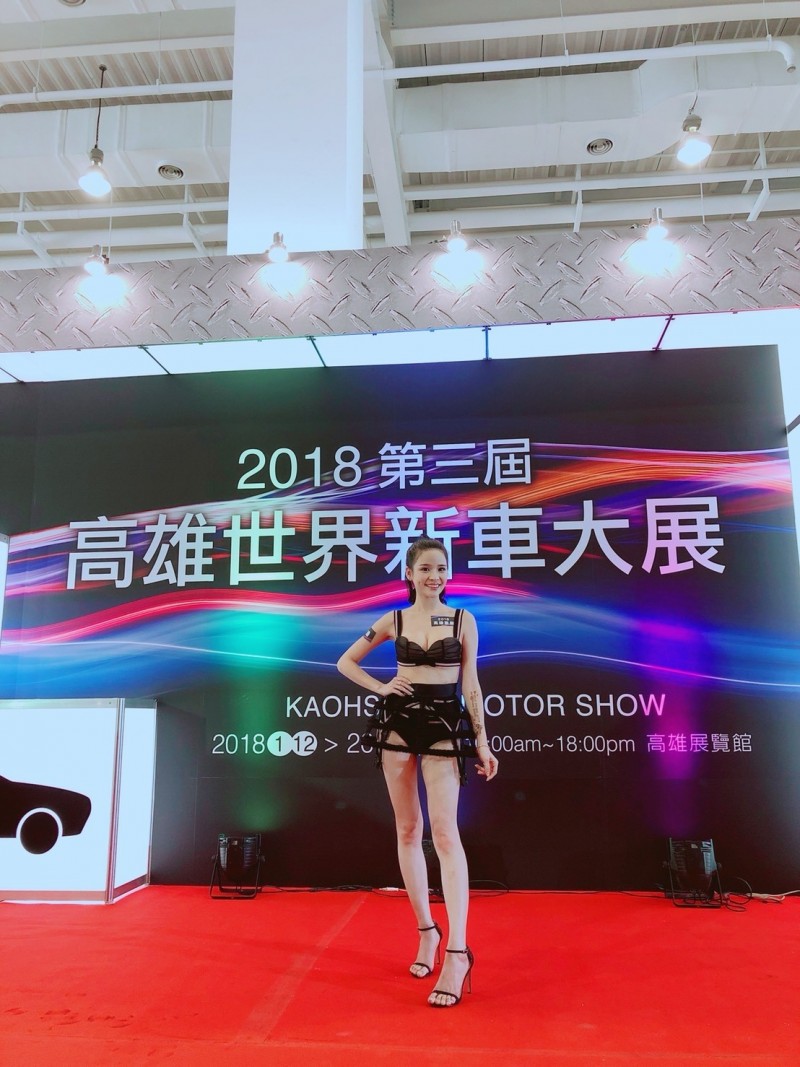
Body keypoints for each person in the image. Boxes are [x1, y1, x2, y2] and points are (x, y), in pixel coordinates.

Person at [337, 536, 499, 1007]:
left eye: (441, 568)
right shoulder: (393, 620)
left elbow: (471, 684)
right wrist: (381, 687)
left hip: (445, 727)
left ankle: (457, 952)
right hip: (398, 727)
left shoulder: (464, 620)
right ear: (409, 574)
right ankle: (427, 931)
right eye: (425, 568)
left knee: (445, 834)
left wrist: (482, 742)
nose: (435, 576)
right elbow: (346, 662)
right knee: (408, 830)